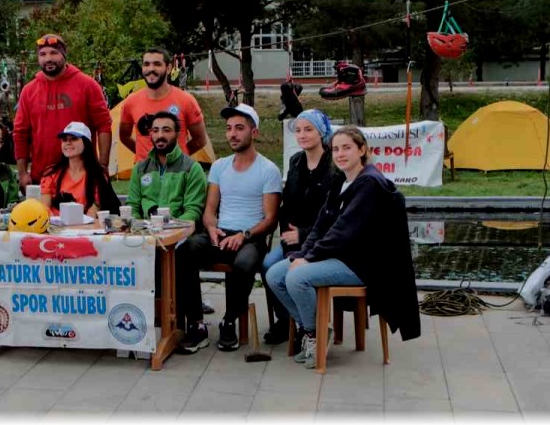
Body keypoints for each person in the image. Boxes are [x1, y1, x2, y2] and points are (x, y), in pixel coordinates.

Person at [266, 126, 422, 369]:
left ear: (362, 150)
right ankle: (315, 331)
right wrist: (303, 252)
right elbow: (320, 226)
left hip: (361, 264)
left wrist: (309, 259)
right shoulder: (341, 181)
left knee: (297, 277)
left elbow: (343, 230)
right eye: (336, 149)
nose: (340, 154)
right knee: (274, 274)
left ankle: (313, 333)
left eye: (347, 148)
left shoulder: (369, 183)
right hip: (337, 256)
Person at [180, 103, 281, 352]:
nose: (232, 134)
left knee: (244, 264)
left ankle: (229, 321)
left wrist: (243, 235)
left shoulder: (268, 169)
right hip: (220, 233)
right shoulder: (219, 166)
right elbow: (210, 210)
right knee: (184, 251)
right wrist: (211, 229)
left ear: (253, 132)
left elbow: (270, 219)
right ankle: (196, 324)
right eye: (228, 129)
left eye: (239, 128)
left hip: (250, 237)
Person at [127, 111, 210, 353]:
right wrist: (138, 226)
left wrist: (167, 231)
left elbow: (192, 211)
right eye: (155, 130)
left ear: (178, 134)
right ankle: (140, 320)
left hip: (181, 236)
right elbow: (132, 206)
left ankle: (196, 325)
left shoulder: (191, 168)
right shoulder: (140, 169)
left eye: (166, 130)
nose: (160, 135)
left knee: (181, 254)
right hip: (146, 236)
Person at [262, 109, 338, 348]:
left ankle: (309, 327)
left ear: (321, 132)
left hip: (321, 240)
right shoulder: (295, 162)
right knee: (267, 264)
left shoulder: (334, 167)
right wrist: (288, 237)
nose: (302, 135)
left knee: (290, 271)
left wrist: (303, 235)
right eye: (298, 130)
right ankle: (288, 322)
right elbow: (287, 206)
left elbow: (332, 214)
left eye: (308, 129)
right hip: (294, 238)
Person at [13, 34, 112, 190]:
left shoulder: (87, 85)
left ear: (64, 55)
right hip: (42, 178)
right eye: (43, 54)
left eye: (54, 53)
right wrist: (23, 173)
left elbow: (104, 125)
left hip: (81, 177)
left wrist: (103, 165)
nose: (48, 59)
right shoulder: (28, 91)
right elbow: (20, 133)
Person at [119, 48, 208, 164]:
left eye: (157, 64)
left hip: (176, 174)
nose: (151, 69)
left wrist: (178, 156)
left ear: (168, 68)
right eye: (146, 64)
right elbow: (124, 137)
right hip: (145, 175)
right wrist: (144, 155)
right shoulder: (131, 102)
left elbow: (200, 140)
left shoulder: (186, 100)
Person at [38, 122, 119, 217]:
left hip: (85, 228)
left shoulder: (98, 175)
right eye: (64, 140)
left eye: (74, 139)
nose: (68, 143)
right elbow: (44, 210)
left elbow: (92, 213)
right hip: (54, 227)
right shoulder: (51, 173)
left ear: (86, 143)